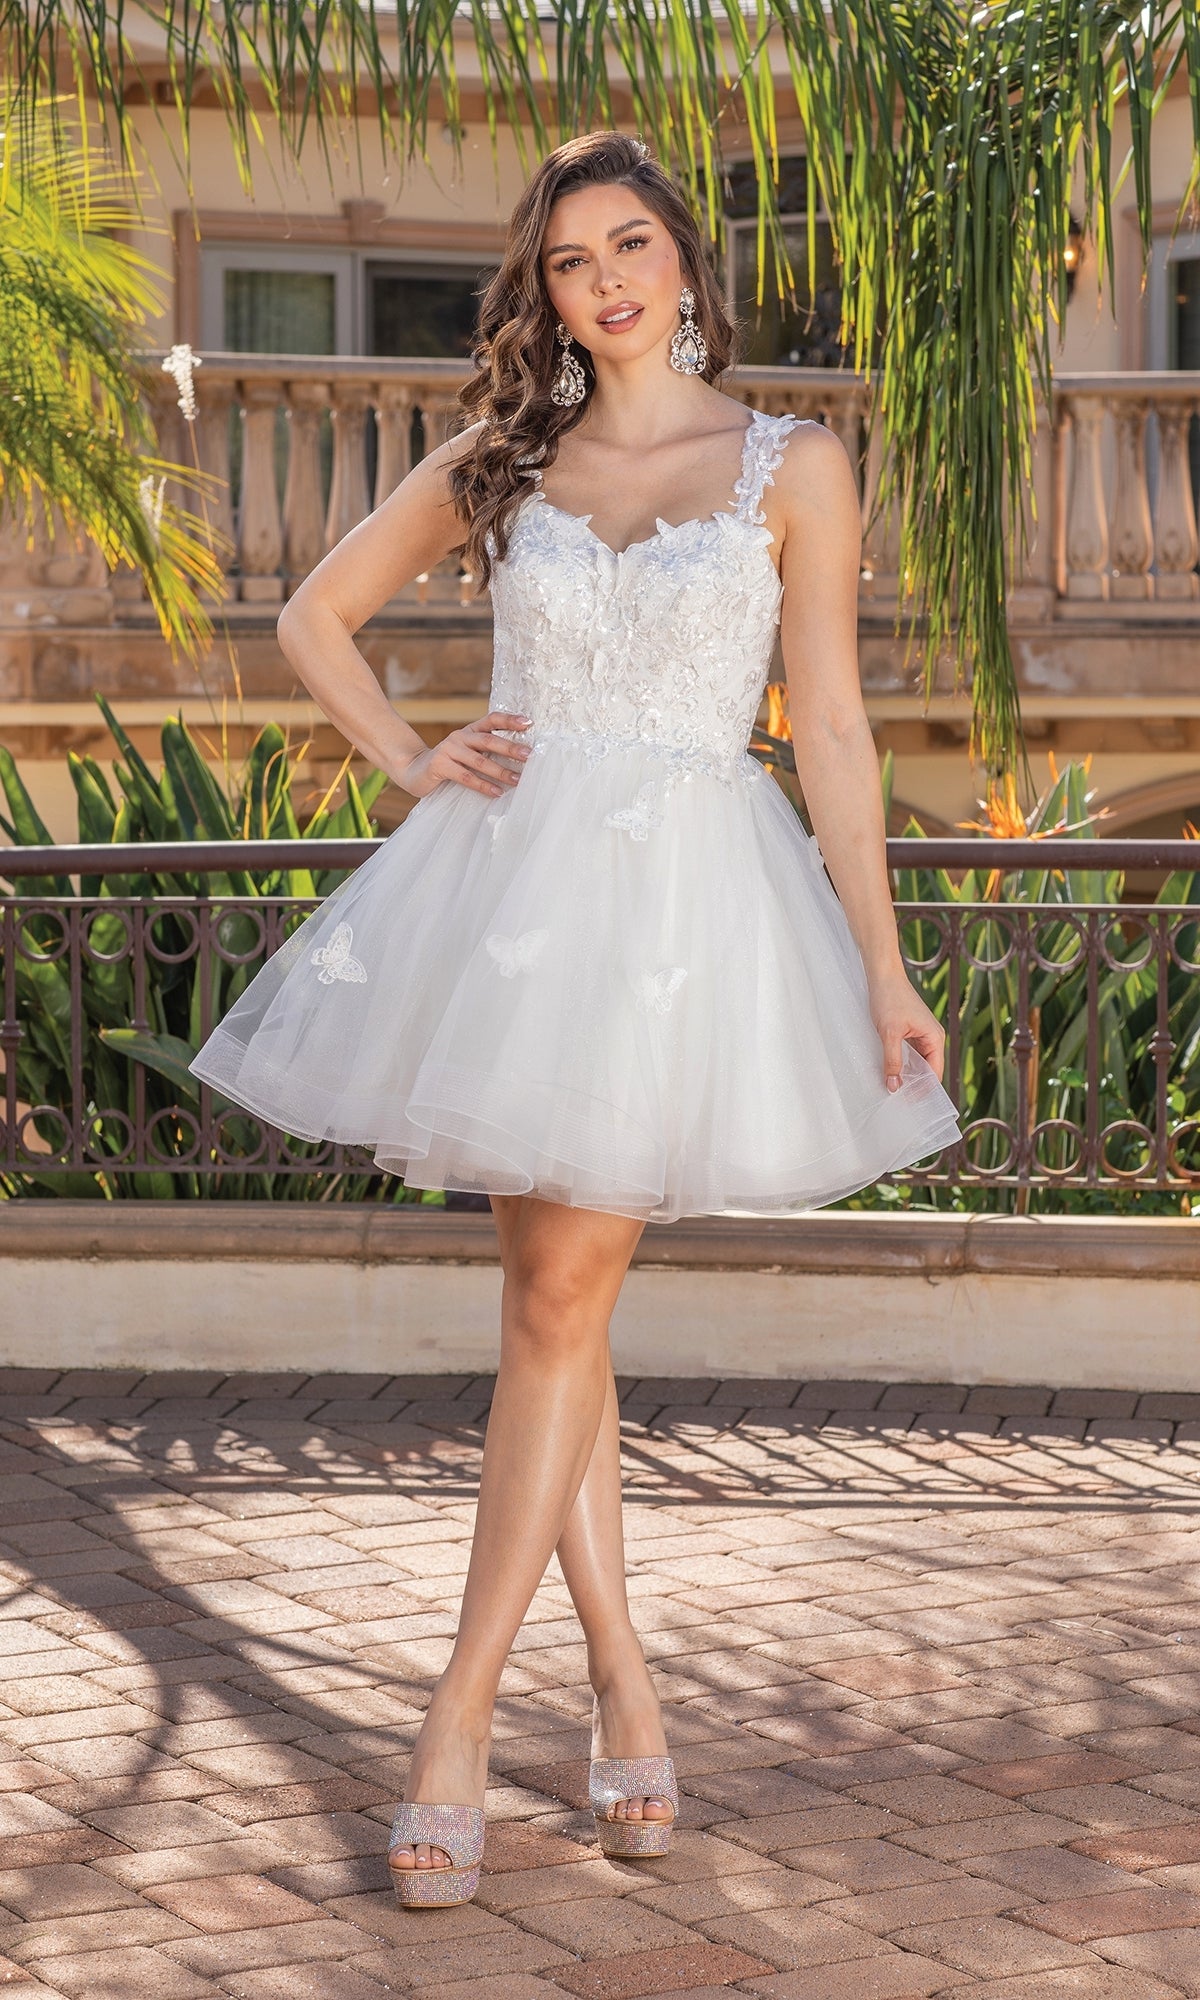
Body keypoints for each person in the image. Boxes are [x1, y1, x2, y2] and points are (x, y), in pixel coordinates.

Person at [190, 129, 961, 1907]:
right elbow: (316, 615)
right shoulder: (509, 454)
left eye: (632, 245)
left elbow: (831, 731)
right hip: (515, 898)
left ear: (687, 262)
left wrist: (884, 959)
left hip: (684, 909)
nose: (604, 281)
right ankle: (622, 1690)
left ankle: (455, 1723)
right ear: (540, 290)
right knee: (560, 1312)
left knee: (557, 1301)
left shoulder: (792, 465)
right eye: (567, 260)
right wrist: (408, 759)